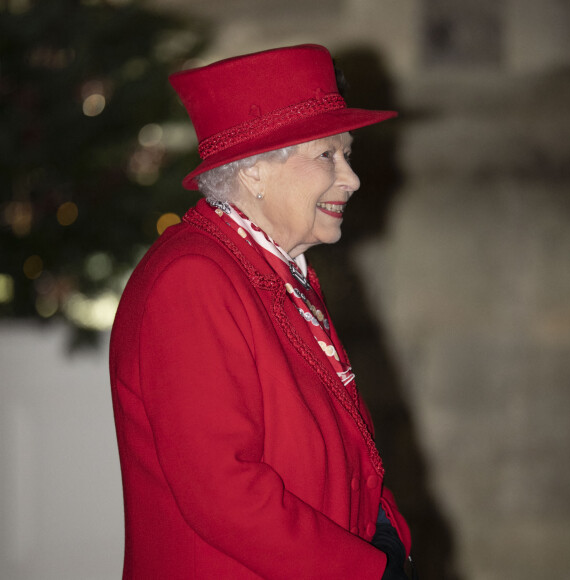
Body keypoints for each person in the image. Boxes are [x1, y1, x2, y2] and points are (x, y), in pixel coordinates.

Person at [109, 44, 412, 579]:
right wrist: (366, 570)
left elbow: (344, 442)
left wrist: (384, 532)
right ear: (254, 173)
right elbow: (224, 493)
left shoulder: (270, 267)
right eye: (327, 156)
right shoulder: (191, 280)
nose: (351, 179)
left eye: (348, 155)